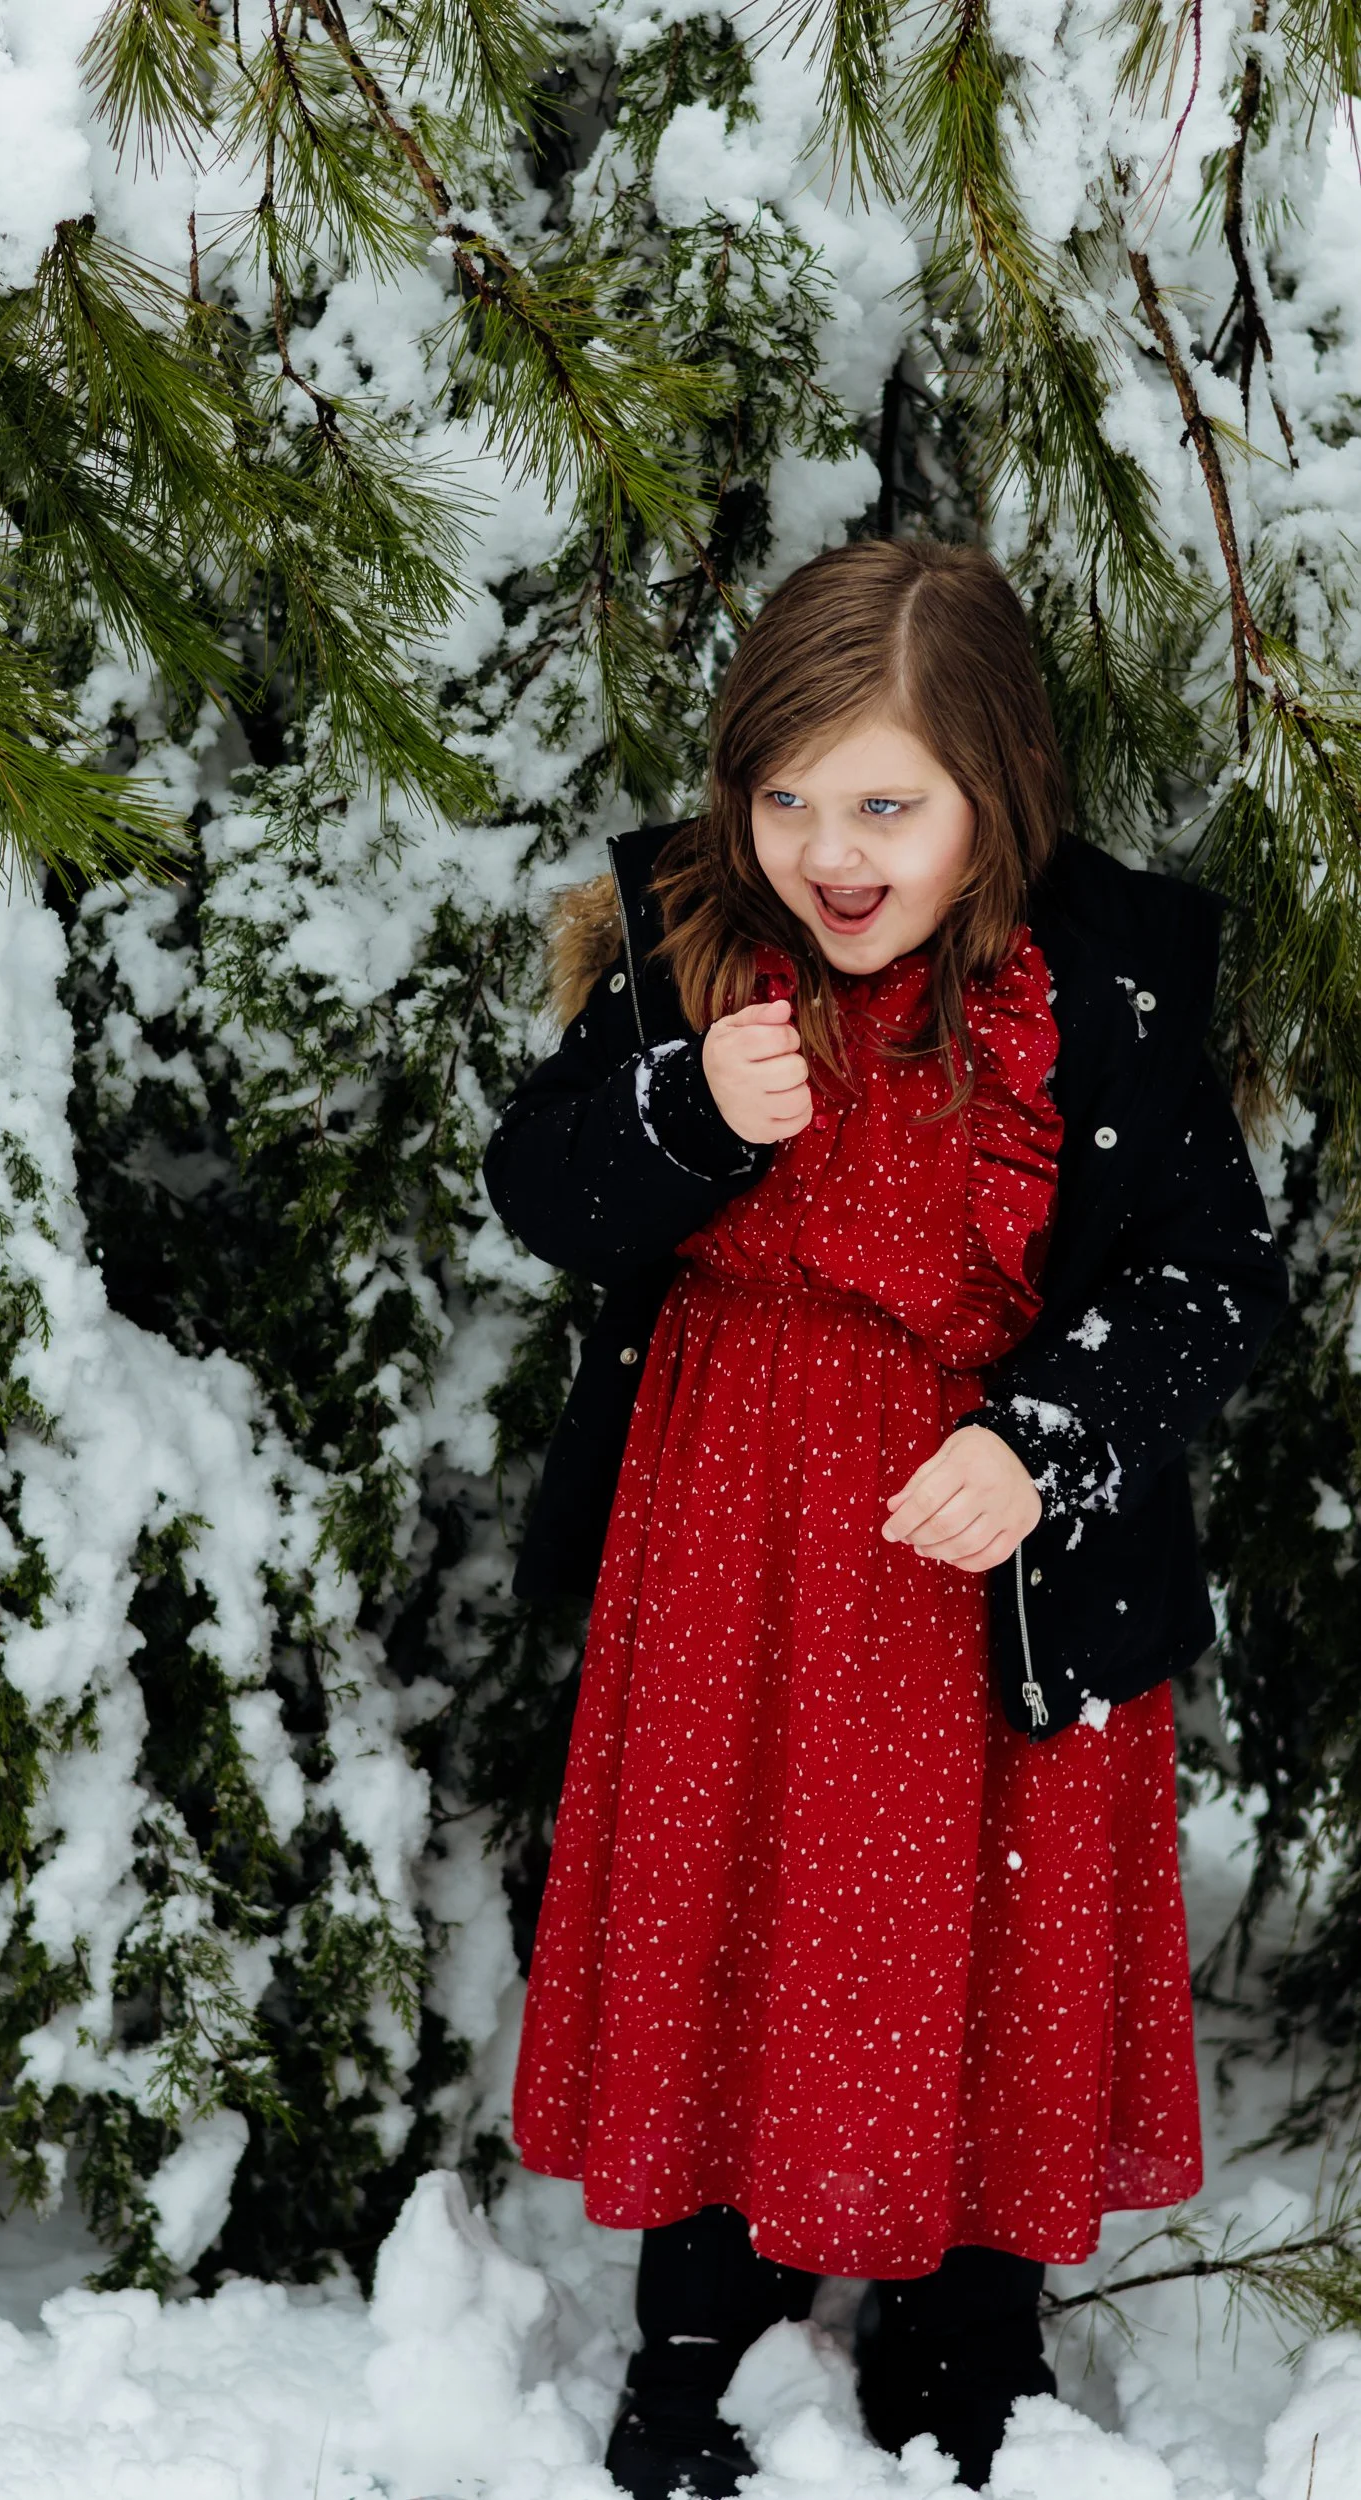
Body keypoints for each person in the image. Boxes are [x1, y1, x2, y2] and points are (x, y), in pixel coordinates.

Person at [482, 540, 1288, 2495]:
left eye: (882, 805)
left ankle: (960, 2345)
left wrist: (1048, 1430)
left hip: (983, 1566)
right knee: (732, 1913)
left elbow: (1214, 1279)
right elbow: (542, 1188)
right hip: (732, 1543)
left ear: (992, 794)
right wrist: (682, 1113)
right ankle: (697, 2339)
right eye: (784, 799)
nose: (827, 852)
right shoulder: (694, 938)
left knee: (965, 1937)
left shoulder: (1096, 981)